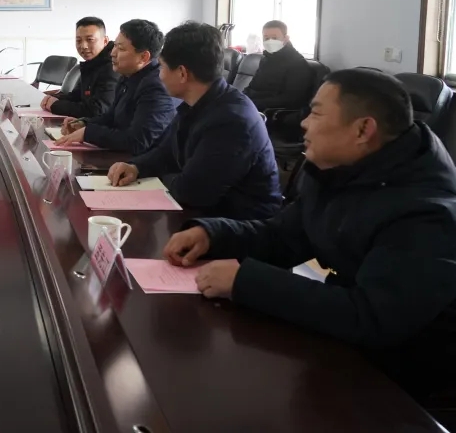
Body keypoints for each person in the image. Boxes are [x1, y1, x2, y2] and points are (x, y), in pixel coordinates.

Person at [165, 68, 456, 427]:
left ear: (362, 130)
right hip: (344, 343)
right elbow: (284, 236)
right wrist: (214, 234)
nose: (303, 123)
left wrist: (246, 282)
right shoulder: (340, 169)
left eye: (316, 113)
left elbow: (373, 317)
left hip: (405, 377)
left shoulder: (425, 212)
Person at [108, 21, 281, 219]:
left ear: (182, 73)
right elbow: (167, 152)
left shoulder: (231, 121)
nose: (159, 75)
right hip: (207, 215)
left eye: (162, 67)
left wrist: (160, 177)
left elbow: (191, 192)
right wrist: (137, 167)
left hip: (240, 225)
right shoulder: (197, 103)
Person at [57, 19, 177, 154]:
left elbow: (138, 141)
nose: (112, 53)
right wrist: (84, 123)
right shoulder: (127, 75)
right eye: (114, 46)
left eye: (121, 48)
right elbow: (111, 117)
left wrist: (88, 133)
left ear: (143, 57)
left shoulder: (156, 86)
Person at [40, 17, 118, 118]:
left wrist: (56, 105)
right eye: (78, 40)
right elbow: (77, 96)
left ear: (105, 40)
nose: (83, 46)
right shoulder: (93, 63)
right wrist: (53, 99)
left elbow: (98, 110)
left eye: (90, 40)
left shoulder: (113, 66)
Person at [243, 20, 314, 113]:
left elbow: (291, 99)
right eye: (266, 38)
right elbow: (253, 86)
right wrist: (242, 97)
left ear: (286, 39)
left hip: (270, 112)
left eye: (274, 38)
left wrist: (252, 103)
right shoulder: (266, 59)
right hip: (251, 106)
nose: (270, 41)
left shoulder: (298, 63)